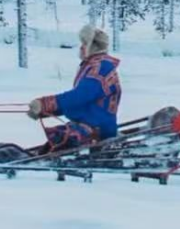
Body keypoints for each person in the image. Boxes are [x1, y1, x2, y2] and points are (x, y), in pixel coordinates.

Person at [28, 25, 121, 153]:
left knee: (55, 146)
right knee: (51, 147)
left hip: (97, 129)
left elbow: (79, 97)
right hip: (90, 125)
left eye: (84, 44)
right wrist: (44, 111)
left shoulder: (100, 68)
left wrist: (44, 104)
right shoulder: (96, 65)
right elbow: (79, 103)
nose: (81, 47)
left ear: (93, 47)